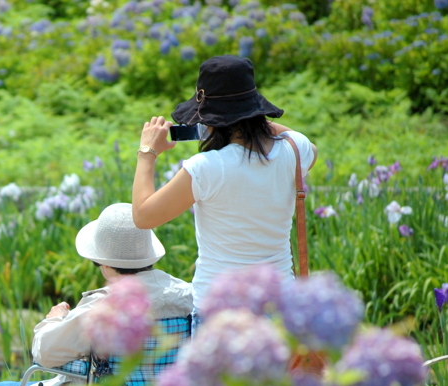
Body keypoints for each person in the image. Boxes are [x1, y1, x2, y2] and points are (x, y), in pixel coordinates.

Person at [129, 55, 317, 325]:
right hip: (281, 308)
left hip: (220, 313)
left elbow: (144, 216)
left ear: (210, 118)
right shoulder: (294, 150)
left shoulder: (208, 167)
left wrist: (147, 152)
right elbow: (306, 145)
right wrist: (257, 123)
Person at [0, 202, 193, 386]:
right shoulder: (186, 295)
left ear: (104, 264)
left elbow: (44, 354)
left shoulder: (105, 306)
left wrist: (55, 319)